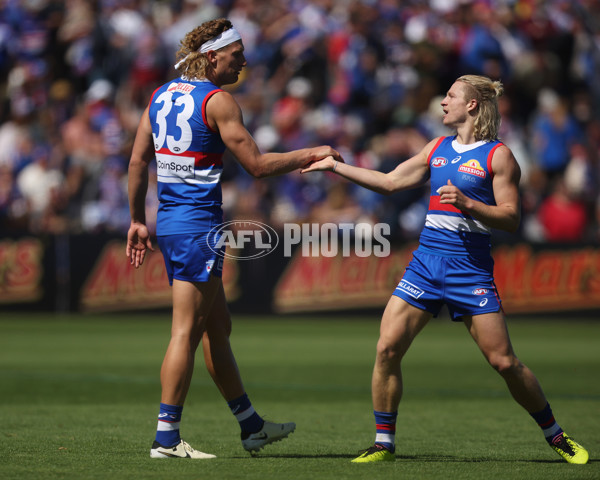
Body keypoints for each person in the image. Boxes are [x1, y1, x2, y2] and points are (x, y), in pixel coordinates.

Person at [301, 75, 589, 465]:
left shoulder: (498, 156)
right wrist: (336, 167)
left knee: (504, 362)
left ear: (472, 105)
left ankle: (555, 435)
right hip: (425, 264)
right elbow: (389, 183)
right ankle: (383, 443)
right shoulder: (436, 148)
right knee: (387, 348)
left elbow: (510, 218)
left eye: (451, 96)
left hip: (469, 270)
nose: (443, 102)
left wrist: (470, 204)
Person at [126, 18, 341, 459]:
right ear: (211, 56)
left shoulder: (160, 95)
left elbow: (135, 163)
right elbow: (258, 166)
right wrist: (313, 152)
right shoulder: (218, 101)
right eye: (236, 52)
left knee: (216, 327)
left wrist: (136, 220)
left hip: (169, 222)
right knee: (185, 331)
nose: (243, 59)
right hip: (197, 226)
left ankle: (251, 425)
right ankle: (166, 437)